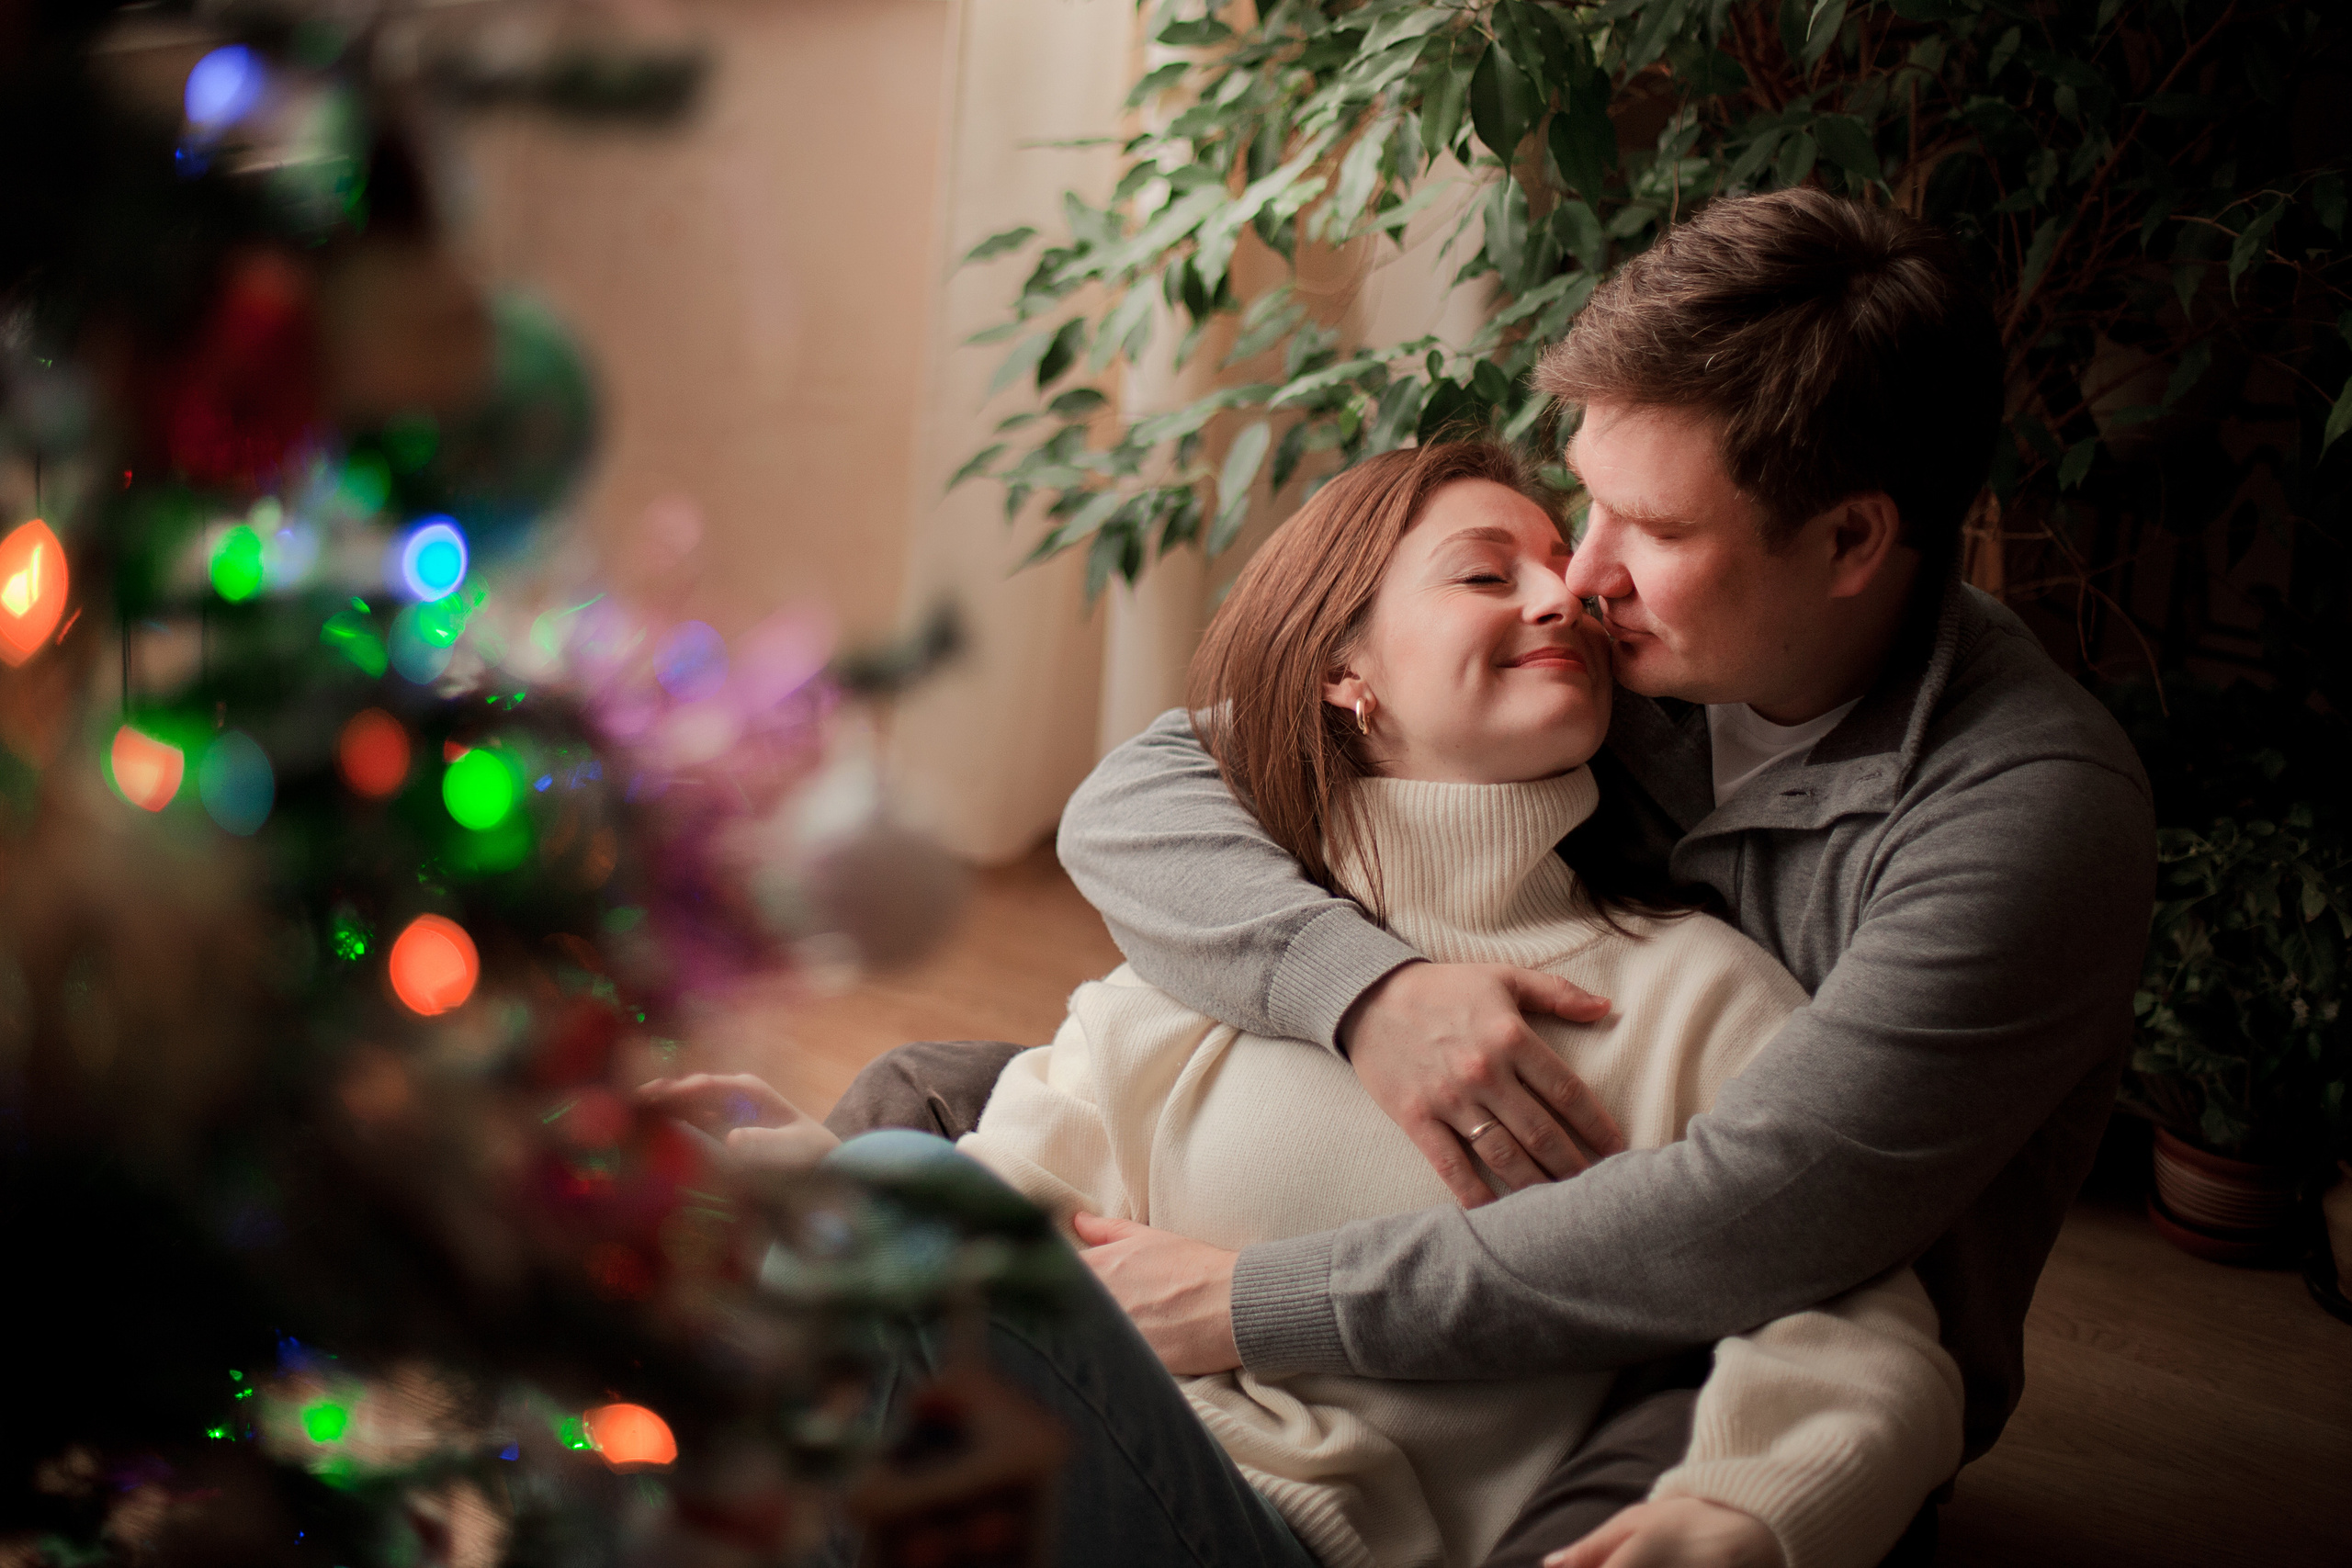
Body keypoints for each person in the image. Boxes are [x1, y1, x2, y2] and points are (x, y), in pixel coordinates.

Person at [829, 188, 2159, 1563]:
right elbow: (1144, 793)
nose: (1581, 577)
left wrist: (1249, 1304)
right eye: (1582, 502)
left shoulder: (2026, 824)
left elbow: (1758, 1222)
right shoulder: (1611, 654)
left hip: (1746, 1309)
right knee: (914, 1109)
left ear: (1850, 542)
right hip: (1460, 1243)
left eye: (1651, 528)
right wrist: (1370, 994)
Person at [659, 440, 1963, 1568]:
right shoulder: (1212, 962)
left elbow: (1871, 1325)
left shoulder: (1693, 995)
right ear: (1351, 672)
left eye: (1561, 563)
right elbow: (1005, 1231)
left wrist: (1750, 1513)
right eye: (1483, 572)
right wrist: (815, 1184)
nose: (1563, 592)